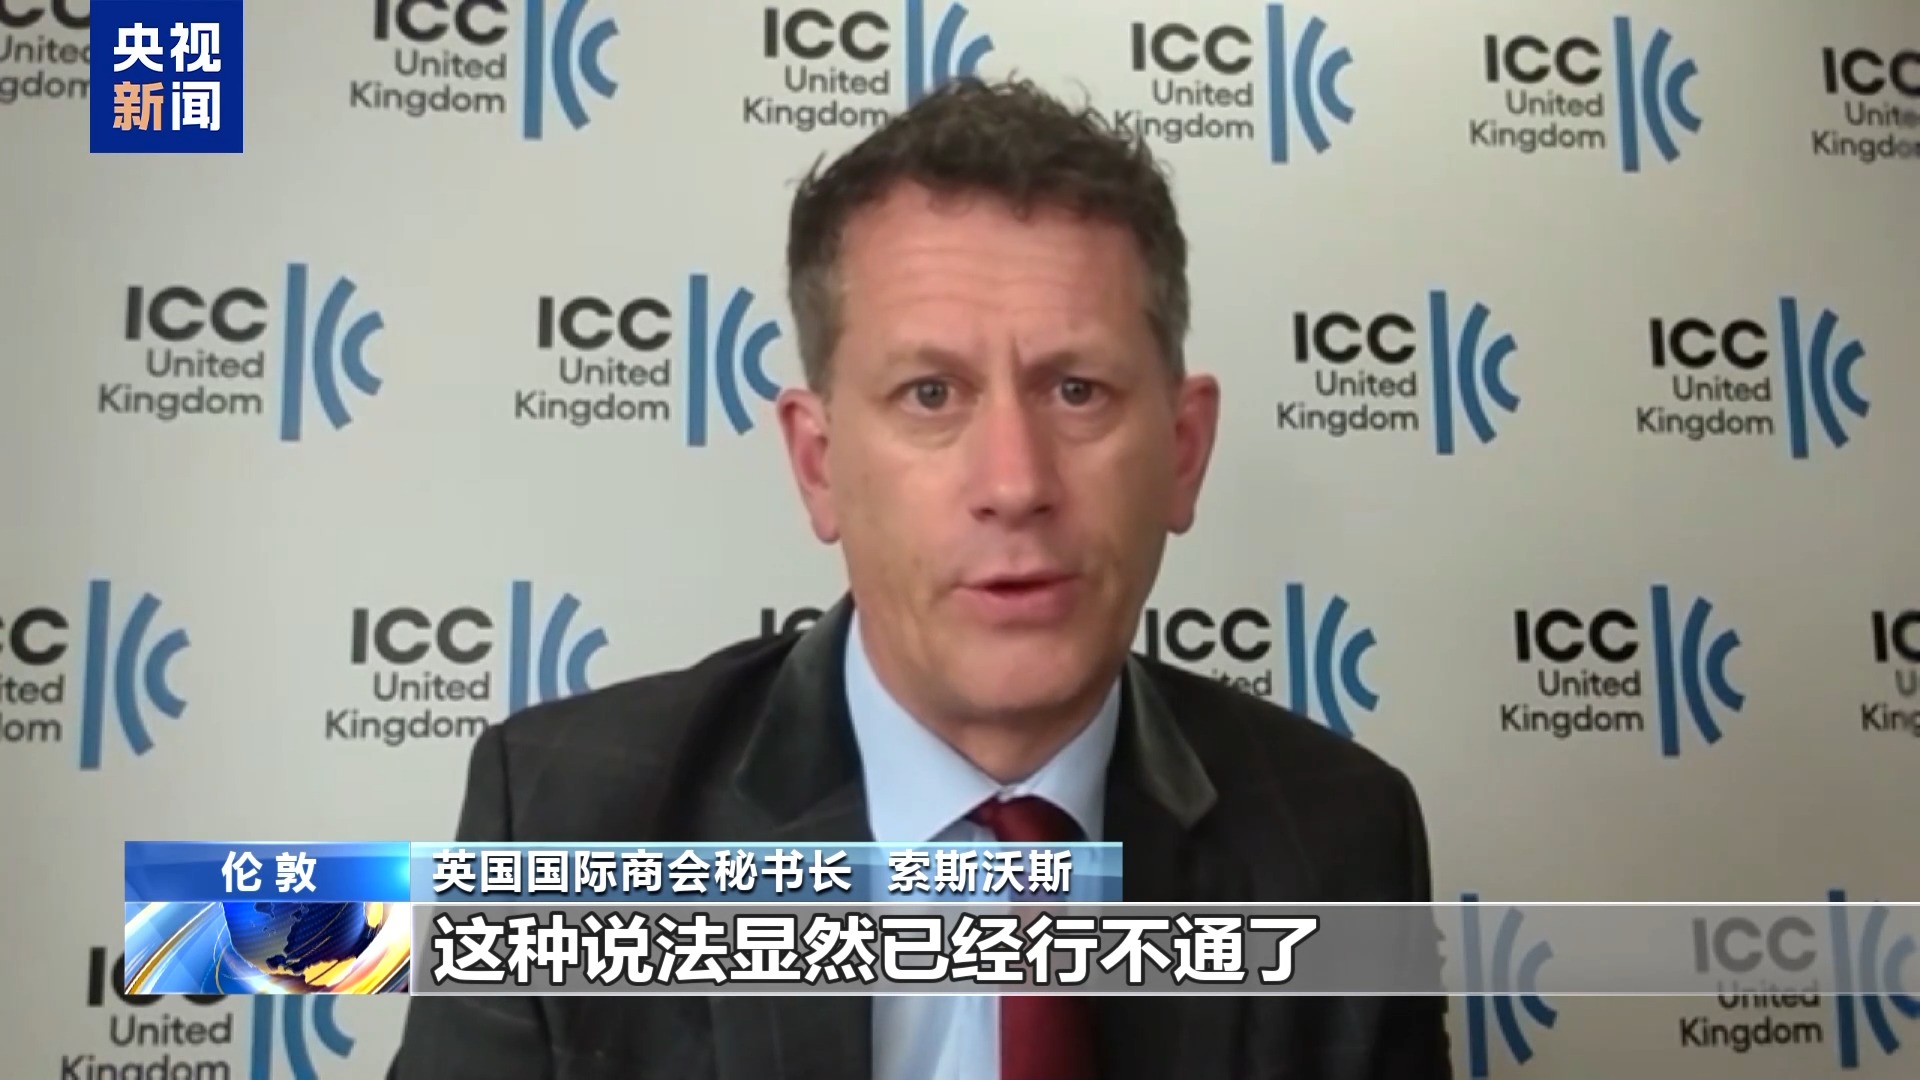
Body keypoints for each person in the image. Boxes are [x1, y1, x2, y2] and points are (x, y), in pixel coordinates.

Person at [389, 76, 1449, 1080]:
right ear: (819, 465)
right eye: (932, 394)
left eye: (1078, 390)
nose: (1015, 484)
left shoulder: (1343, 843)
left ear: (1182, 452)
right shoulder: (564, 821)